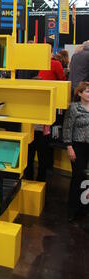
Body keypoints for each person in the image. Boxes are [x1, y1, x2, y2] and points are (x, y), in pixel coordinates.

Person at [63, 81, 89, 222]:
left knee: (87, 179)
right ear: (79, 93)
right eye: (87, 91)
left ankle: (84, 207)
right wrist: (69, 146)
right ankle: (72, 209)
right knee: (78, 176)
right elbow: (67, 128)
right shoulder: (74, 108)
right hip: (77, 146)